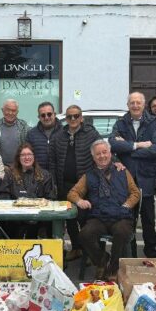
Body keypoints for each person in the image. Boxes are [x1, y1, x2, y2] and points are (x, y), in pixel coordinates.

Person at [67, 140, 141, 280]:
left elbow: (135, 193)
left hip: (121, 216)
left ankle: (113, 269)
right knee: (84, 234)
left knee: (122, 232)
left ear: (110, 153)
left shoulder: (122, 171)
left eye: (104, 152)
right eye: (98, 154)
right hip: (99, 217)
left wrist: (127, 205)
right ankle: (102, 260)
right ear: (93, 157)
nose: (102, 156)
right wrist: (80, 201)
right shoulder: (89, 176)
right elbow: (72, 193)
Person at [109, 91, 156, 258]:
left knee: (148, 219)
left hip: (146, 178)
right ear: (128, 105)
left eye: (138, 102)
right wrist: (138, 145)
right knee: (128, 218)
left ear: (143, 105)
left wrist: (129, 151)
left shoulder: (153, 123)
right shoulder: (120, 123)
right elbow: (113, 144)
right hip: (126, 178)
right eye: (132, 102)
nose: (135, 105)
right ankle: (129, 255)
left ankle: (151, 254)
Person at [49, 105, 101, 262]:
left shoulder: (91, 133)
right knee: (69, 219)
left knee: (86, 218)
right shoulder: (58, 135)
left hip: (85, 184)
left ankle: (90, 251)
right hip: (64, 183)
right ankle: (76, 248)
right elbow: (52, 161)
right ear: (66, 118)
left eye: (76, 116)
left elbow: (102, 151)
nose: (73, 119)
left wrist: (117, 162)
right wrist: (53, 182)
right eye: (70, 116)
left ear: (81, 117)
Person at [0, 143, 57, 238]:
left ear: (34, 157)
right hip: (15, 219)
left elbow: (50, 198)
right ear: (18, 158)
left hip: (38, 218)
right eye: (23, 155)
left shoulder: (45, 175)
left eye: (29, 154)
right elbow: (3, 195)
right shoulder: (9, 175)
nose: (26, 157)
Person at [0, 99, 30, 166]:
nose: (10, 113)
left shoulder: (24, 126)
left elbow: (28, 147)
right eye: (7, 110)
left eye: (13, 111)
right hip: (1, 168)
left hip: (20, 167)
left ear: (17, 112)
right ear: (2, 110)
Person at [26, 101, 62, 171]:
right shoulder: (31, 134)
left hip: (60, 177)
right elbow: (27, 156)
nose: (46, 117)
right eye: (43, 115)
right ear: (39, 117)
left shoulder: (64, 132)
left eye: (49, 114)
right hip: (39, 177)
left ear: (54, 114)